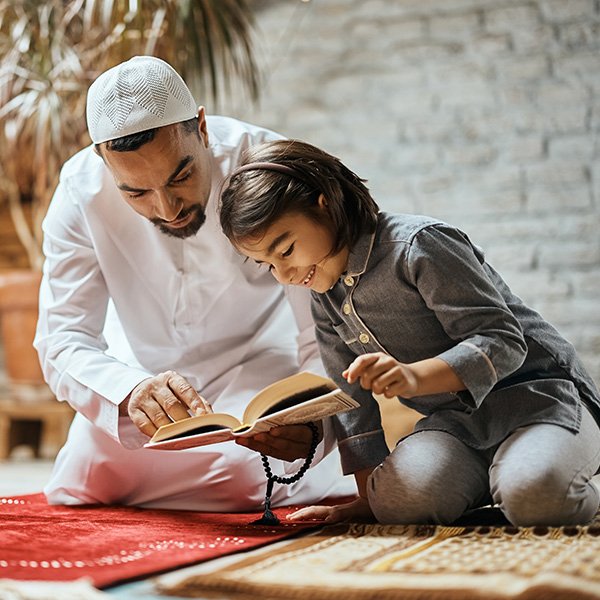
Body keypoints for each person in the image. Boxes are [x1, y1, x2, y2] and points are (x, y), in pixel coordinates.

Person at [219, 138, 600, 526]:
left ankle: (556, 471)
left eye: (285, 251)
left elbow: (502, 341)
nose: (285, 276)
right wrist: (371, 502)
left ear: (325, 203)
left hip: (538, 399)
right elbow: (352, 403)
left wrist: (415, 376)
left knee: (536, 497)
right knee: (397, 503)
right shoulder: (324, 294)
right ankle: (496, 478)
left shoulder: (420, 244)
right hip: (455, 424)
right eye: (267, 265)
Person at [34, 56, 355, 511]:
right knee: (86, 475)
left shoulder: (268, 167)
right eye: (136, 193)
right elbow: (61, 338)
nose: (167, 209)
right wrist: (129, 391)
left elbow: (321, 328)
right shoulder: (79, 192)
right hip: (142, 376)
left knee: (240, 473)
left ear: (201, 128)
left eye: (180, 176)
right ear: (103, 161)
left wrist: (311, 419)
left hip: (255, 365)